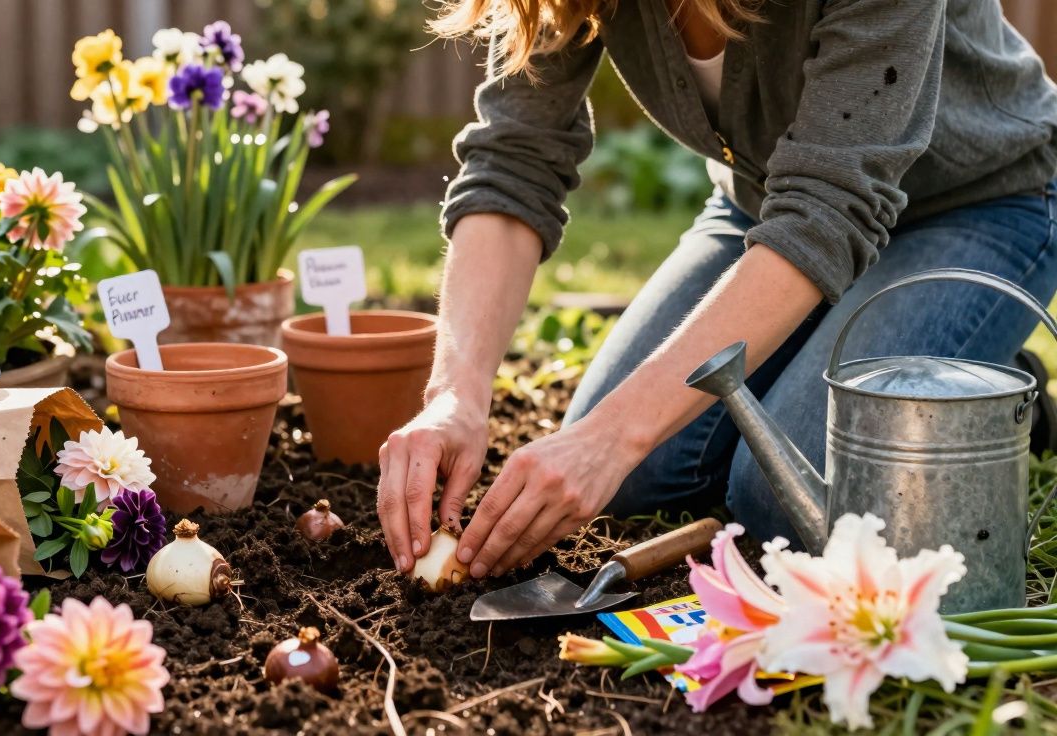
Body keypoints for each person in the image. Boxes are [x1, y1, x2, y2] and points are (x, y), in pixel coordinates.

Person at [376, 0, 1057, 580]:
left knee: (778, 497)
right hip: (768, 212)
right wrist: (456, 395)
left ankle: (972, 392)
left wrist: (613, 435)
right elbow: (513, 157)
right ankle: (899, 365)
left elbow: (831, 210)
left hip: (977, 203)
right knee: (637, 480)